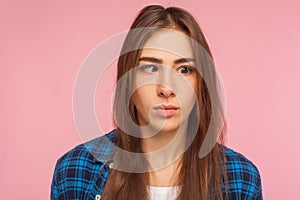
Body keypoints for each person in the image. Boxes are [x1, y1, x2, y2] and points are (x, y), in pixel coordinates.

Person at [51, 5, 263, 200]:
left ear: (201, 84)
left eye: (184, 70)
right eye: (150, 68)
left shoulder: (240, 178)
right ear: (128, 82)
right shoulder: (75, 170)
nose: (166, 89)